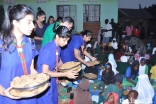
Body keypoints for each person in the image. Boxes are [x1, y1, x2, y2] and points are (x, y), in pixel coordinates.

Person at [0, 4, 38, 104]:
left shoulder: (31, 43)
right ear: (15, 23)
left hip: (29, 97)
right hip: (7, 98)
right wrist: (3, 92)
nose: (33, 26)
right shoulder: (1, 45)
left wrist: (39, 82)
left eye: (33, 22)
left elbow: (31, 69)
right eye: (28, 22)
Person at [37, 26, 78, 104]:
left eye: (67, 41)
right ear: (57, 36)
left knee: (54, 99)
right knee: (47, 100)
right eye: (64, 40)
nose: (66, 43)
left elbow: (57, 63)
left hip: (52, 79)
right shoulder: (47, 49)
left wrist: (68, 68)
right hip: (44, 81)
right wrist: (65, 74)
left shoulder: (58, 48)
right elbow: (45, 72)